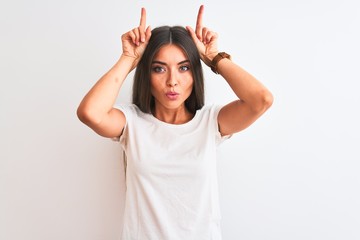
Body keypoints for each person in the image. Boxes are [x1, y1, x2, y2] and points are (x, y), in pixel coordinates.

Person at [77, 5, 273, 240]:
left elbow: (261, 100)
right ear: (146, 74)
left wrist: (213, 58)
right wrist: (129, 58)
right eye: (159, 68)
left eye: (184, 68)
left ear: (195, 73)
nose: (172, 81)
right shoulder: (131, 123)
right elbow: (90, 113)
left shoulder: (210, 122)